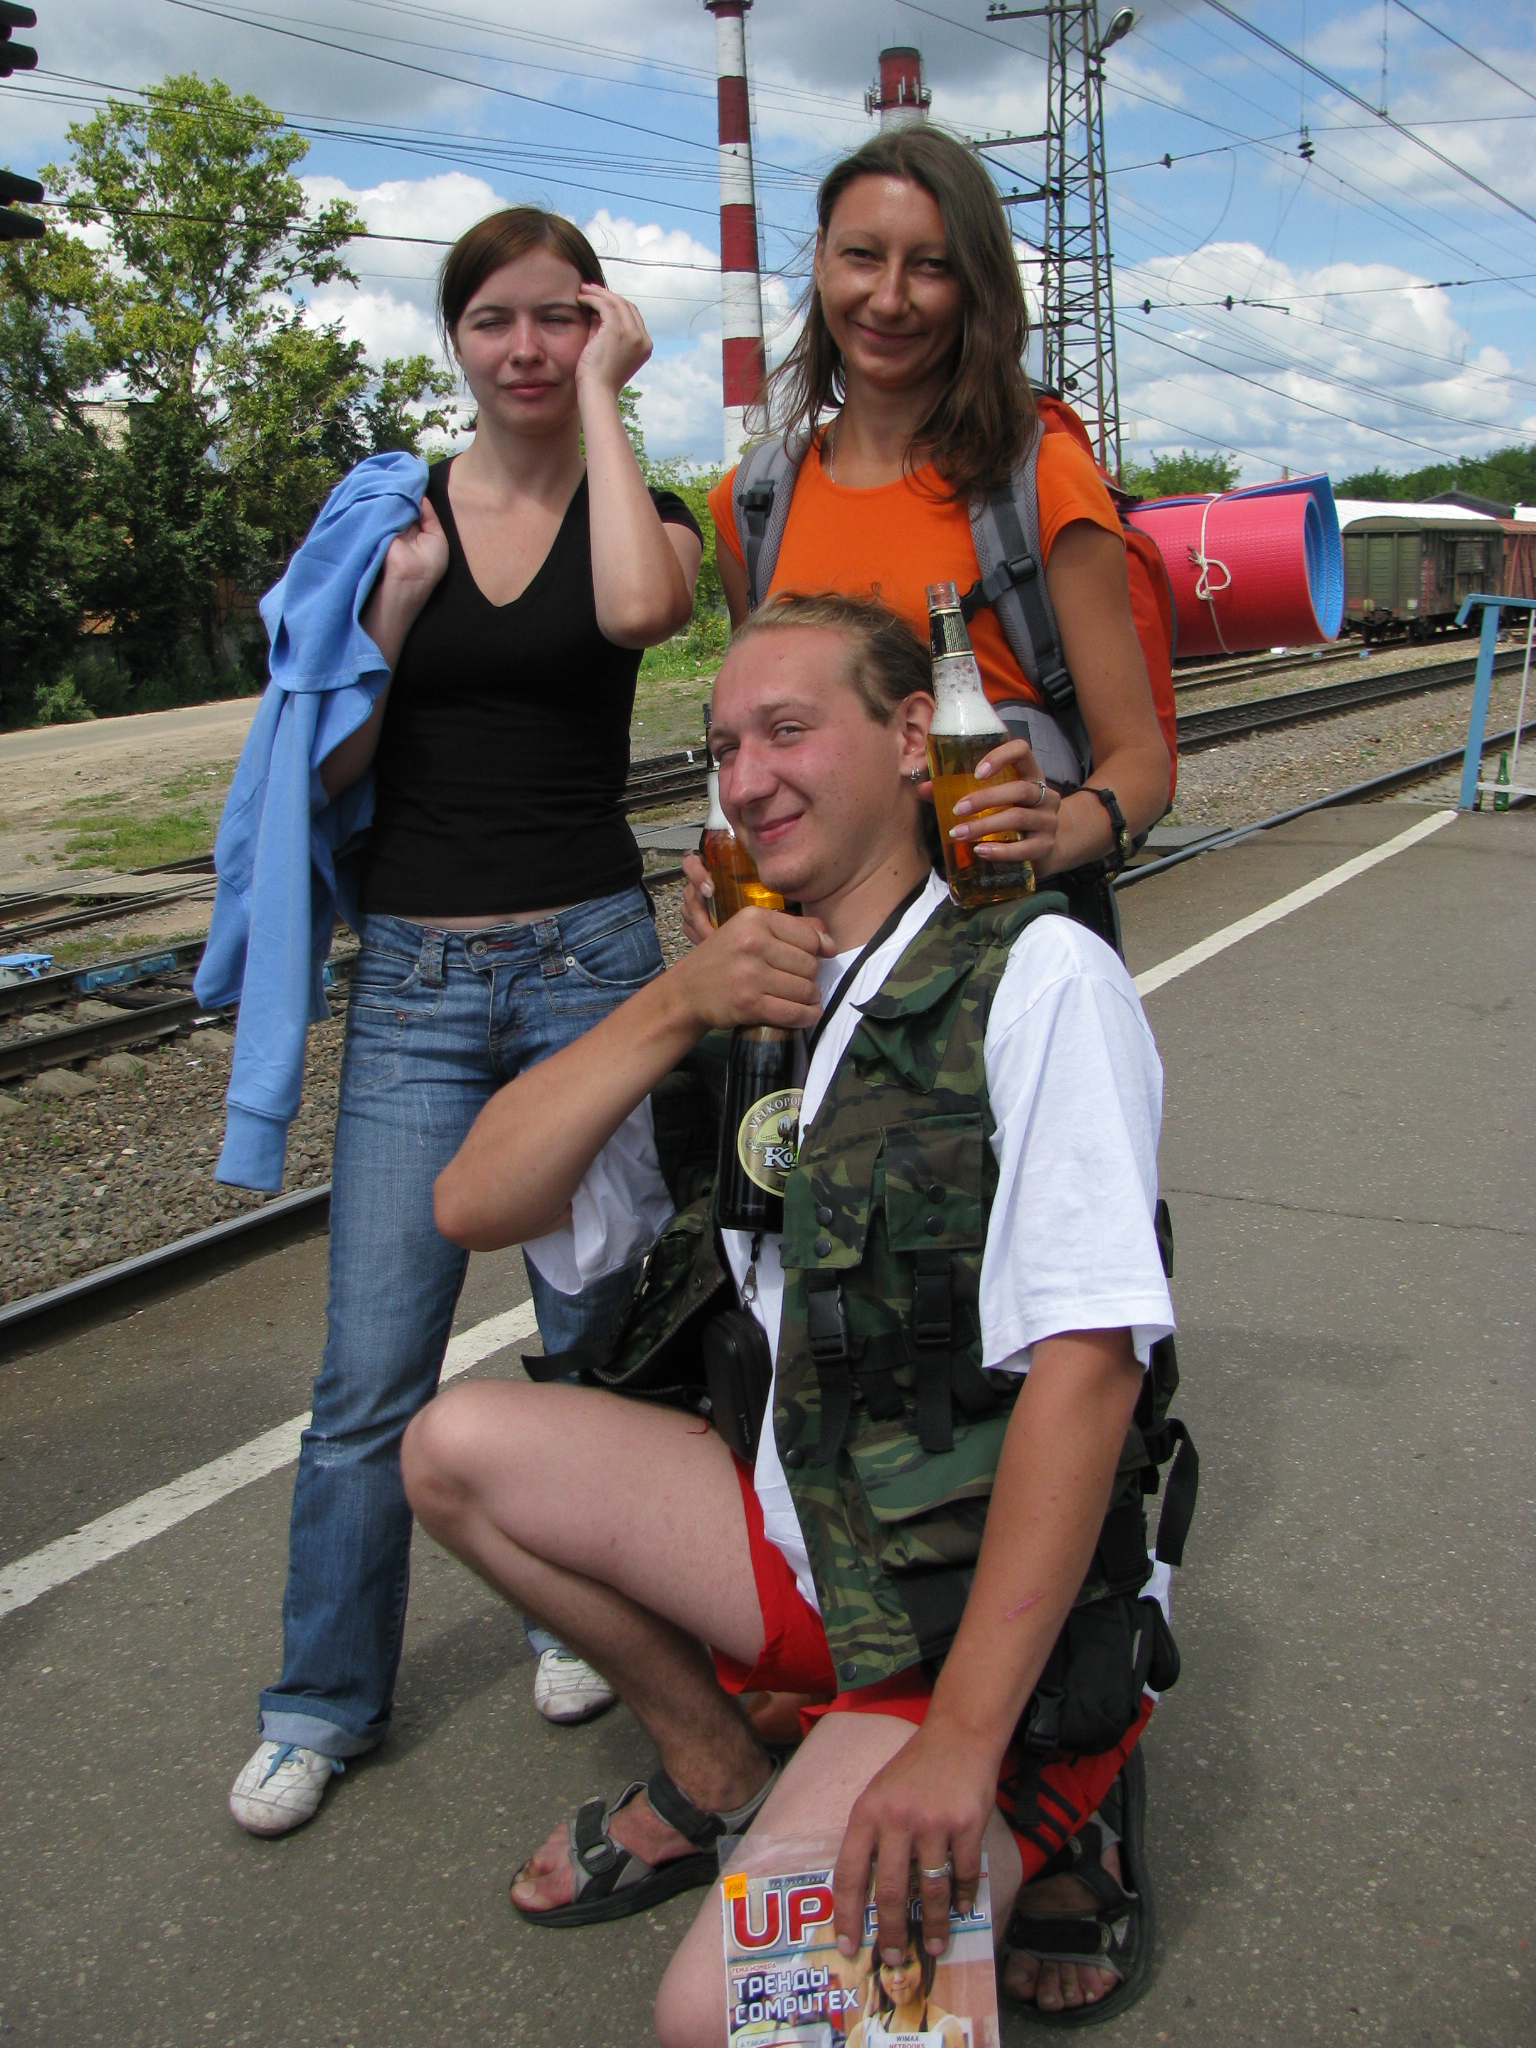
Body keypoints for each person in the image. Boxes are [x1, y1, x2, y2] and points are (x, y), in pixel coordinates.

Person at [402, 592, 1177, 2031]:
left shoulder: (1038, 973)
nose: (747, 778)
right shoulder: (743, 1004)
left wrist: (957, 1743)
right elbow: (474, 1201)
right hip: (808, 1528)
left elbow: (1091, 1371)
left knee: (725, 2016)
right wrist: (670, 1007)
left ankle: (1055, 1776)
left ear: (910, 739)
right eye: (723, 748)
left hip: (953, 1607)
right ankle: (722, 1771)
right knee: (451, 1449)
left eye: (786, 731)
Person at [227, 205, 704, 1837]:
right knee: (372, 1369)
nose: (525, 347)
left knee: (599, 1340)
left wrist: (609, 406)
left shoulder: (640, 505)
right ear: (455, 337)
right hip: (418, 988)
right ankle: (319, 1701)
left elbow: (641, 614)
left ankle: (580, 1619)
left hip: (592, 971)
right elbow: (324, 768)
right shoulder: (391, 523)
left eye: (558, 317)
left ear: (600, 327)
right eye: (494, 319)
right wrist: (393, 614)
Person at [686, 122, 1169, 954]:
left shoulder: (1041, 479)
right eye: (862, 256)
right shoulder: (754, 503)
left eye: (932, 266)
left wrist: (1062, 829)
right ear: (820, 263)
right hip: (828, 964)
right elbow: (761, 747)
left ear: (977, 285)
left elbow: (1141, 763)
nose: (890, 298)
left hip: (999, 946)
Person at [848, 1935, 966, 2048]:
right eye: (889, 1968)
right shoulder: (864, 2033)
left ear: (925, 1964)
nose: (898, 1978)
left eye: (907, 1964)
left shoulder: (946, 2030)